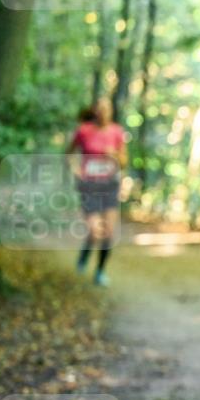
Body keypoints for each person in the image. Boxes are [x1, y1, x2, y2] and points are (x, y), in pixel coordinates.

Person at [68, 98, 126, 287]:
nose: (103, 112)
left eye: (106, 108)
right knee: (95, 230)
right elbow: (69, 154)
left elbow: (124, 161)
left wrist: (115, 155)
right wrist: (75, 170)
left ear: (110, 111)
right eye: (99, 109)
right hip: (89, 186)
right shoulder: (84, 130)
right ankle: (84, 257)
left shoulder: (117, 132)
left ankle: (100, 272)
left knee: (108, 231)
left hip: (109, 185)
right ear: (95, 111)